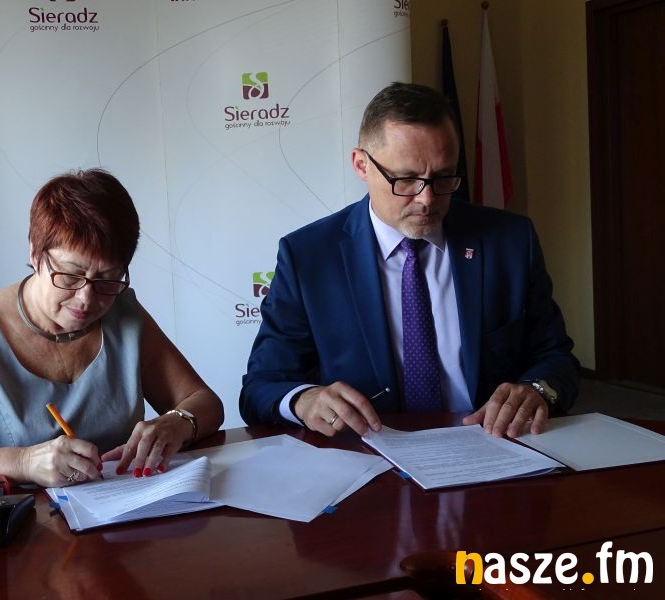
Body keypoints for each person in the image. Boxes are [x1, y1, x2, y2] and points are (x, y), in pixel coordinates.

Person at [240, 82, 578, 439]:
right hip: (367, 455)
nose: (427, 199)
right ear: (361, 165)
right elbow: (261, 386)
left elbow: (557, 358)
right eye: (405, 179)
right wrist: (303, 400)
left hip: (490, 446)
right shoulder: (309, 257)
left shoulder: (509, 242)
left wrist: (537, 390)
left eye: (443, 177)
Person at [0, 169, 223, 500]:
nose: (86, 298)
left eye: (107, 279)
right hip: (11, 528)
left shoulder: (122, 313)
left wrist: (176, 423)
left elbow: (204, 402)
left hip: (120, 515)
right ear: (35, 253)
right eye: (70, 275)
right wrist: (24, 463)